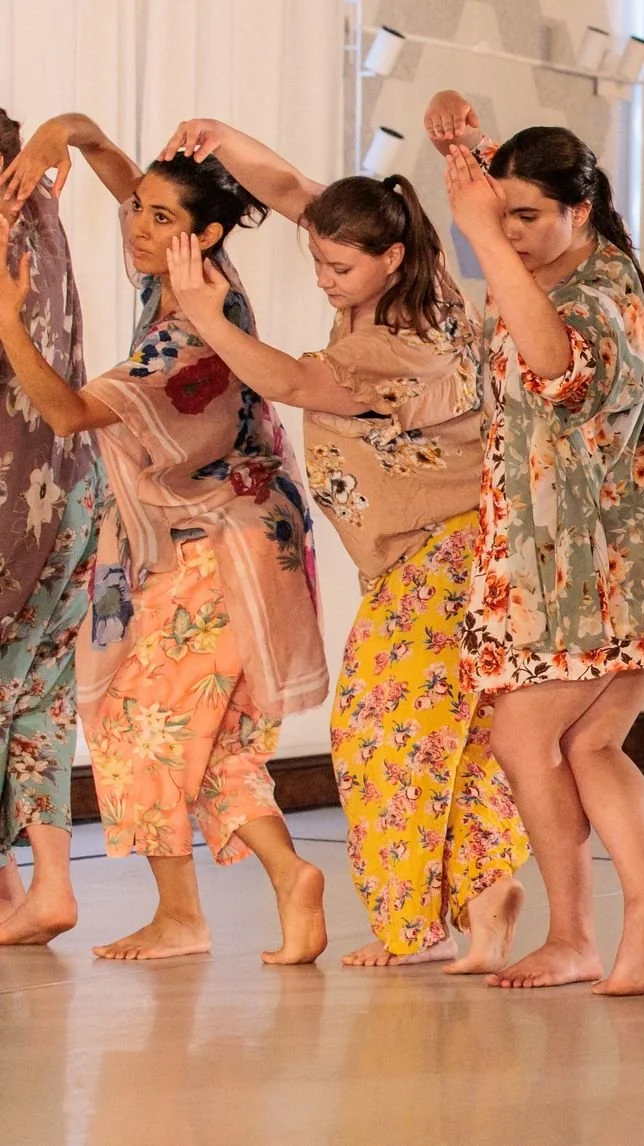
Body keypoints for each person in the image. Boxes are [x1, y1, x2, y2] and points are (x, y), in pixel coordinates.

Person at [152, 116, 530, 971]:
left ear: (388, 258)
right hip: (443, 553)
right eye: (317, 262)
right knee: (450, 736)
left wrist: (209, 314)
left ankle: (423, 924)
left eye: (340, 267)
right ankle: (482, 891)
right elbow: (294, 194)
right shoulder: (417, 277)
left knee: (370, 732)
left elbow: (287, 379)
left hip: (441, 555)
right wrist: (225, 139)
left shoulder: (395, 344)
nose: (324, 280)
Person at [0, 113, 330, 963]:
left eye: (158, 220)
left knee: (128, 717)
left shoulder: (190, 330)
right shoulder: (190, 270)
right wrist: (69, 132)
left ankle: (187, 914)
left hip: (225, 543)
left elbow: (69, 412)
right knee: (210, 737)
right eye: (138, 210)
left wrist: (6, 322)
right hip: (231, 531)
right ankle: (285, 879)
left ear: (206, 234)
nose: (136, 228)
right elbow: (128, 185)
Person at [426, 90, 644, 995]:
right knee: (589, 747)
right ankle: (642, 906)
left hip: (605, 569)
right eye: (499, 214)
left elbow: (559, 371)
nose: (508, 233)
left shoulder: (602, 289)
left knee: (524, 737)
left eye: (528, 216)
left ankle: (575, 933)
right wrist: (466, 138)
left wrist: (482, 235)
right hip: (568, 565)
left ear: (580, 210)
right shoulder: (548, 270)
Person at [0, 108, 104, 946]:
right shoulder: (43, 213)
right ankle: (45, 883)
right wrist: (57, 132)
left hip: (10, 494)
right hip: (72, 487)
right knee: (39, 693)